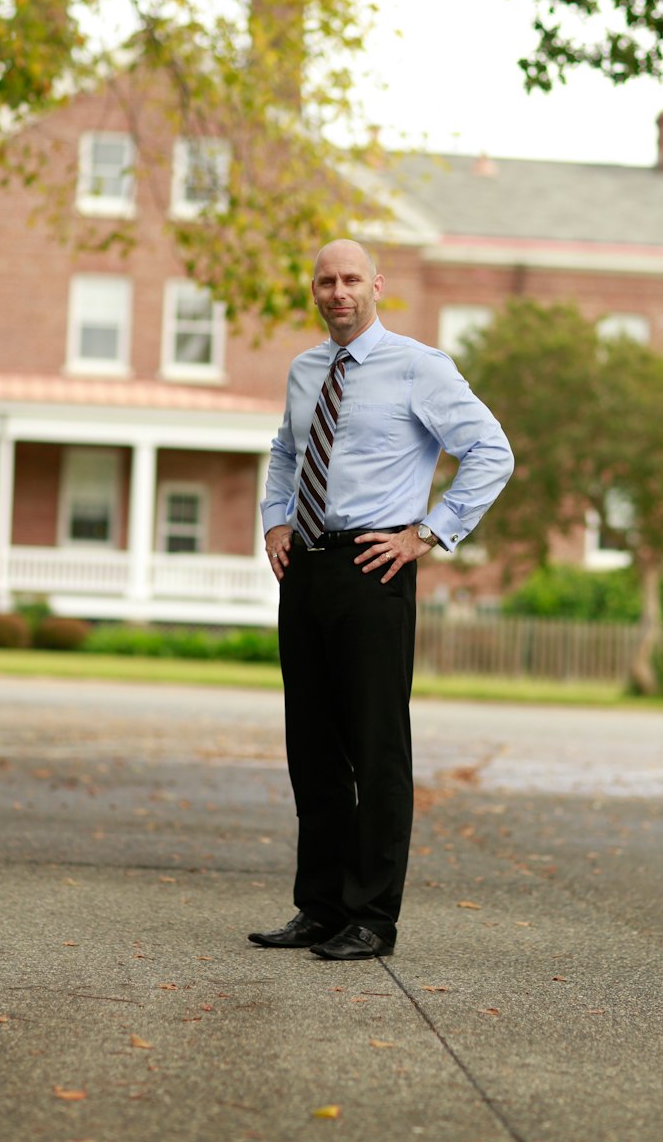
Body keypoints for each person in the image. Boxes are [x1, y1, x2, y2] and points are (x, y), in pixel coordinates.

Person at [248, 238, 513, 961]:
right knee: (313, 747)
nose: (339, 292)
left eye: (351, 280)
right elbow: (285, 450)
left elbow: (492, 452)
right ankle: (321, 906)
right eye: (326, 281)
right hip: (304, 568)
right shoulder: (306, 371)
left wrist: (428, 534)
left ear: (377, 286)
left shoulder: (419, 368)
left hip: (375, 568)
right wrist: (275, 516)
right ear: (314, 290)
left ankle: (372, 917)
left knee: (375, 748)